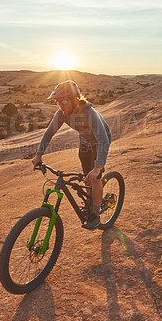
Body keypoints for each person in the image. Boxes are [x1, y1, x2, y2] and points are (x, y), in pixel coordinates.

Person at [32, 80, 111, 230]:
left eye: (64, 101)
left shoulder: (89, 113)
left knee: (95, 177)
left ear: (75, 100)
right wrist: (38, 155)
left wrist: (97, 167)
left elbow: (103, 140)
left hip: (100, 141)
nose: (61, 105)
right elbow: (49, 133)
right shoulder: (62, 113)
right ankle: (90, 201)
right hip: (85, 142)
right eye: (58, 102)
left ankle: (95, 214)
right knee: (86, 176)